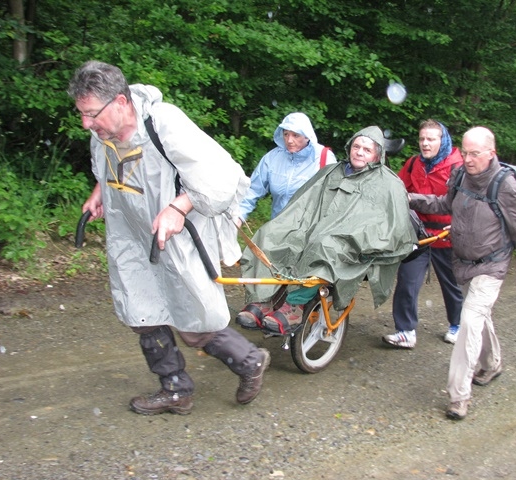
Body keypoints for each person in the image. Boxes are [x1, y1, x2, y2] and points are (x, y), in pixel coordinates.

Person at [68, 60, 270, 415]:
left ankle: (249, 360)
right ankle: (175, 389)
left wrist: (179, 206)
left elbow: (221, 175)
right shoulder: (102, 133)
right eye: (81, 114)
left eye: (91, 114)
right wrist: (99, 191)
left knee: (194, 322)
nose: (86, 123)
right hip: (130, 236)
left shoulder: (164, 123)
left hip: (178, 238)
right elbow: (108, 168)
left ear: (120, 102)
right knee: (141, 311)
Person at [408, 126, 516, 420]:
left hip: (492, 265)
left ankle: (459, 396)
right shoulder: (461, 176)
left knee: (468, 321)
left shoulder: (506, 185)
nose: (467, 158)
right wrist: (412, 198)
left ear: (491, 153)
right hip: (463, 262)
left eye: (474, 153)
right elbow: (444, 204)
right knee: (480, 317)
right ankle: (492, 364)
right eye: (464, 152)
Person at [236, 126, 416, 334]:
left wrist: (356, 238)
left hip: (350, 241)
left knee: (323, 245)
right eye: (356, 146)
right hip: (313, 228)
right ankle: (262, 299)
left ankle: (294, 307)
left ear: (377, 155)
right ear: (349, 147)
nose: (359, 152)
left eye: (367, 150)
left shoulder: (388, 183)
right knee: (270, 234)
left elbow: (390, 227)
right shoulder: (332, 172)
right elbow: (303, 204)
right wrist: (296, 226)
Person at [383, 120, 464, 349]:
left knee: (452, 285)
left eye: (431, 139)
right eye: (422, 139)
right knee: (407, 281)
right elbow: (398, 188)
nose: (425, 144)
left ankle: (457, 325)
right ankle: (405, 330)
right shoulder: (413, 164)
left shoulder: (457, 167)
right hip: (418, 234)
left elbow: (458, 204)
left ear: (443, 140)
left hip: (447, 236)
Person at [237, 112, 337, 224]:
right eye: (286, 134)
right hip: (277, 230)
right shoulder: (272, 158)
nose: (289, 140)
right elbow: (253, 190)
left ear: (307, 136)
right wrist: (239, 216)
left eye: (295, 135)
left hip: (308, 233)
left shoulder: (324, 158)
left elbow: (334, 198)